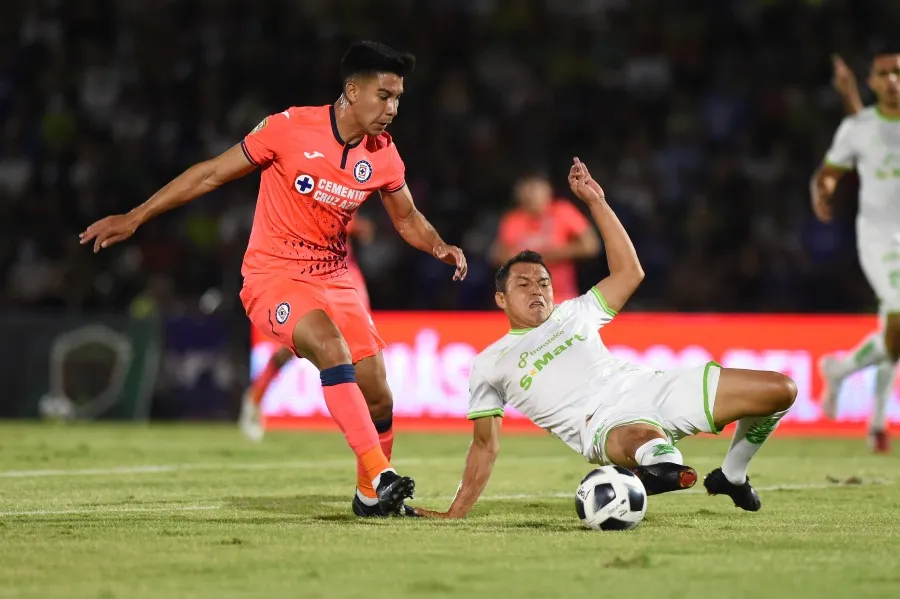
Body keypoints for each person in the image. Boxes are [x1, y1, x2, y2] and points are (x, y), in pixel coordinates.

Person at [79, 41, 468, 517]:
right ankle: (381, 473)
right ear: (351, 90)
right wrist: (136, 217)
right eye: (384, 95)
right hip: (274, 274)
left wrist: (438, 245)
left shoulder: (383, 155)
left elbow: (407, 218)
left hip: (334, 277)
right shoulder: (288, 127)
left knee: (380, 395)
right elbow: (209, 174)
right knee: (330, 346)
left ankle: (369, 496)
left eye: (398, 98)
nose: (393, 108)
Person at [412, 158, 797, 519]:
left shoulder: (573, 312)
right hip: (603, 422)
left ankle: (731, 476)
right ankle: (659, 467)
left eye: (544, 282)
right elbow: (484, 445)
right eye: (524, 283)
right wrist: (455, 511)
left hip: (651, 386)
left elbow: (630, 272)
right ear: (500, 298)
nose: (538, 290)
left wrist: (597, 202)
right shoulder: (490, 362)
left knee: (781, 390)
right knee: (655, 454)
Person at [812, 49, 900, 453]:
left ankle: (871, 413)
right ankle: (849, 379)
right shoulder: (858, 127)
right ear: (873, 81)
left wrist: (848, 93)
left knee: (893, 333)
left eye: (898, 73)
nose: (893, 80)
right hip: (881, 238)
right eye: (885, 74)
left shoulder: (865, 122)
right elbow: (831, 172)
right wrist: (825, 190)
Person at [239, 214, 376, 442]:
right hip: (312, 273)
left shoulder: (346, 191)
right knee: (293, 349)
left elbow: (362, 227)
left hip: (345, 275)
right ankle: (255, 397)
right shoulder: (308, 198)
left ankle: (363, 421)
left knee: (361, 345)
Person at [490, 170, 600, 302]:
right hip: (524, 301)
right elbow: (497, 255)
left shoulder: (562, 211)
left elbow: (591, 245)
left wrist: (546, 256)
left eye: (534, 189)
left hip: (561, 298)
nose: (529, 195)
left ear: (548, 191)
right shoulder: (513, 219)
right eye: (525, 190)